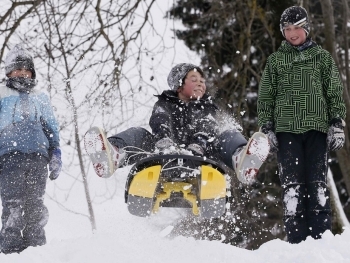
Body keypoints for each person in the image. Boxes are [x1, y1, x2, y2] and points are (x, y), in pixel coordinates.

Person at [84, 63, 269, 183]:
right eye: (194, 79)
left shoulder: (206, 106)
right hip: (164, 153)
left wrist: (199, 144)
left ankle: (241, 158)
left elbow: (207, 126)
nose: (201, 84)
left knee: (227, 135)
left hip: (202, 157)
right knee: (138, 133)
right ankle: (114, 154)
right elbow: (159, 119)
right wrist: (164, 141)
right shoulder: (166, 103)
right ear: (179, 85)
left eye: (203, 81)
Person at [257, 6, 346, 244]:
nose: (292, 33)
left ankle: (321, 239)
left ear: (306, 28)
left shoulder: (322, 58)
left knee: (317, 184)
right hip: (286, 131)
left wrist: (336, 122)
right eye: (287, 29)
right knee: (293, 186)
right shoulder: (276, 61)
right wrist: (267, 127)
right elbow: (266, 97)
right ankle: (296, 240)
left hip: (317, 129)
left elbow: (334, 93)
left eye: (297, 28)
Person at [0, 44, 62, 254]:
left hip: (37, 158)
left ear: (32, 72)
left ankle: (36, 250)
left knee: (35, 205)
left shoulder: (40, 97)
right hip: (9, 158)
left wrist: (56, 153)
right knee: (13, 205)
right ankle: (10, 250)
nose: (22, 73)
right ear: (9, 72)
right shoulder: (2, 94)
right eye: (17, 69)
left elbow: (51, 128)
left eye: (26, 69)